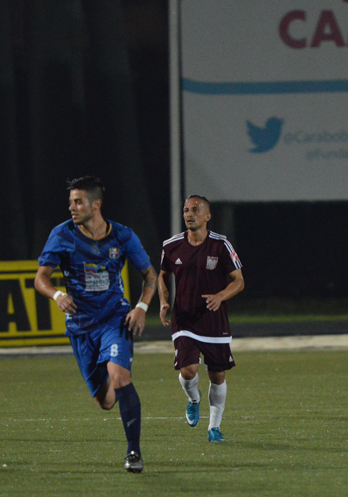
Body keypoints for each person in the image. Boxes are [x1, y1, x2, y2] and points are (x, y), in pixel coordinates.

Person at [34, 176, 157, 473]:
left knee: (120, 377)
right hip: (80, 326)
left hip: (115, 319)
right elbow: (41, 278)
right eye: (70, 202)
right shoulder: (62, 235)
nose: (72, 207)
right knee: (105, 401)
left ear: (96, 204)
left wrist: (141, 307)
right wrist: (57, 294)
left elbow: (151, 276)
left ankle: (133, 452)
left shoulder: (123, 236)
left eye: (78, 202)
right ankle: (114, 381)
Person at [158, 195, 244, 443]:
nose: (188, 214)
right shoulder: (171, 245)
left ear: (207, 216)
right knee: (188, 370)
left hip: (214, 320)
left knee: (217, 376)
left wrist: (220, 295)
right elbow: (162, 274)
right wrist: (164, 300)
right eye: (186, 210)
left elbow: (239, 281)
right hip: (184, 319)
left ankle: (214, 427)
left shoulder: (220, 245)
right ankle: (193, 400)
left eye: (195, 210)